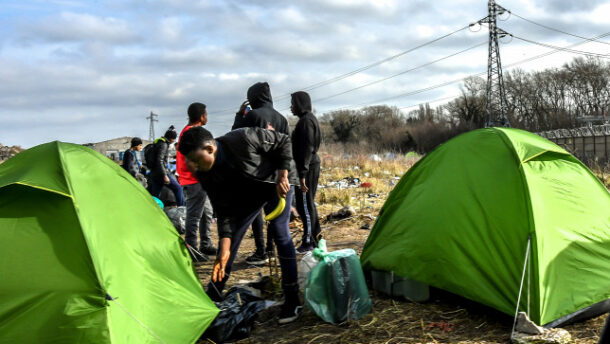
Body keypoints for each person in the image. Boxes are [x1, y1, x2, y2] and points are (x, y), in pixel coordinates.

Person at [178, 126, 302, 324]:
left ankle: (293, 298)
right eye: (189, 162)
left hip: (276, 182)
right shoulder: (204, 172)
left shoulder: (243, 139)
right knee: (230, 240)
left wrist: (283, 174)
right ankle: (214, 292)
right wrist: (223, 250)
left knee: (280, 231)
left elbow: (283, 141)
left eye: (195, 160)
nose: (192, 166)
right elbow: (223, 209)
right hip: (249, 192)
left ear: (210, 149)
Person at [232, 82, 290, 264]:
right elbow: (287, 149)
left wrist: (239, 115)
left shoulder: (251, 115)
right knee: (275, 216)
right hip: (277, 175)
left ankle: (260, 251)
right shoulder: (282, 119)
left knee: (256, 214)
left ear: (252, 98)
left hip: (256, 174)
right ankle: (272, 250)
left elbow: (236, 136)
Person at [177, 103, 216, 259]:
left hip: (196, 180)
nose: (207, 117)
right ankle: (192, 249)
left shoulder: (187, 132)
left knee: (207, 213)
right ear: (201, 116)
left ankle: (205, 244)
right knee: (194, 216)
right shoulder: (193, 134)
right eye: (206, 114)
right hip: (193, 180)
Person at [290, 91, 322, 252]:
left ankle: (309, 241)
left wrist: (302, 174)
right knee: (308, 203)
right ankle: (316, 237)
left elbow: (307, 148)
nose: (291, 107)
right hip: (308, 166)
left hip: (307, 168)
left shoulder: (306, 122)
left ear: (300, 103)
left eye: (293, 103)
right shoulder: (307, 120)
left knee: (304, 205)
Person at [149, 126, 185, 206]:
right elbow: (159, 160)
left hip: (155, 173)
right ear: (171, 138)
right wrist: (165, 175)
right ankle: (182, 209)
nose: (174, 141)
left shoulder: (158, 142)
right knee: (178, 189)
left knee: (155, 195)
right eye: (174, 138)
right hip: (161, 173)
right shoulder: (164, 145)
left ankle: (153, 210)